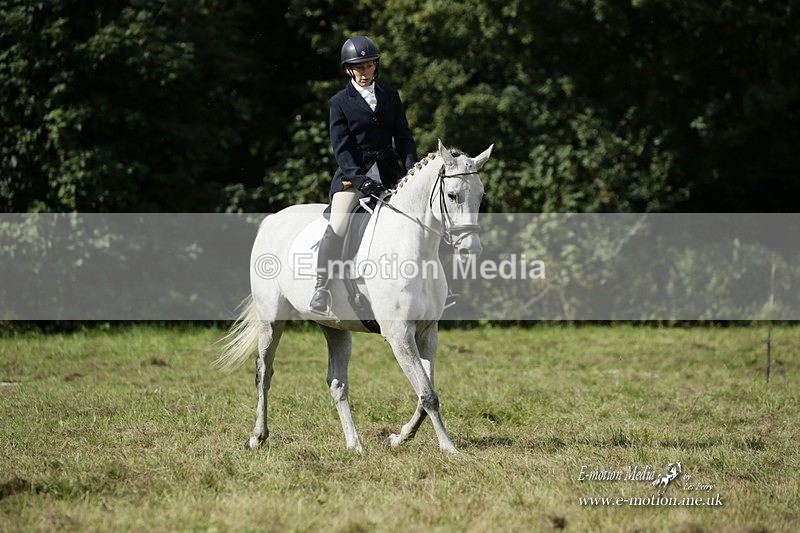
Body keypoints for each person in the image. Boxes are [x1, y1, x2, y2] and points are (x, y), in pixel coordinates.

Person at [308, 35, 419, 315]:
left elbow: (403, 137)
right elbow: (342, 148)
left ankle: (440, 286)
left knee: (421, 219)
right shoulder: (339, 102)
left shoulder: (390, 97)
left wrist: (412, 169)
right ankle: (320, 288)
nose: (365, 72)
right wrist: (359, 179)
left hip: (390, 174)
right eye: (359, 68)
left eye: (369, 66)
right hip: (352, 178)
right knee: (339, 224)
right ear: (349, 70)